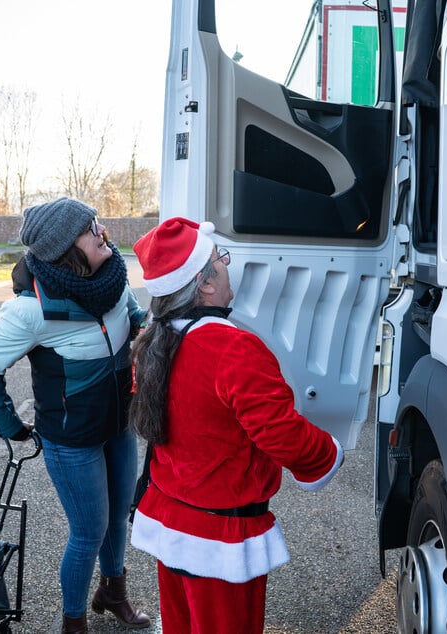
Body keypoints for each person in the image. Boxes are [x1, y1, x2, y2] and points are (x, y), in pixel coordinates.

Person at [128, 217, 343, 632]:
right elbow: (283, 434)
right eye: (218, 258)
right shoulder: (232, 348)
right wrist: (329, 453)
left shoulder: (152, 341)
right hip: (218, 538)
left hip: (171, 519)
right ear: (205, 284)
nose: (227, 265)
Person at [0, 197, 151, 634]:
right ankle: (73, 623)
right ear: (67, 247)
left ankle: (113, 593)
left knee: (118, 515)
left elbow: (132, 315)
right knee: (89, 532)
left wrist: (146, 327)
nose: (103, 231)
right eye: (92, 228)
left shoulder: (112, 278)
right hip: (71, 442)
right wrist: (11, 426)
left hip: (119, 427)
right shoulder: (31, 309)